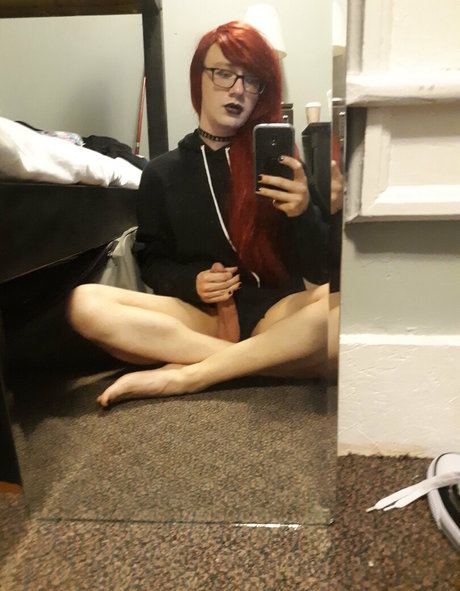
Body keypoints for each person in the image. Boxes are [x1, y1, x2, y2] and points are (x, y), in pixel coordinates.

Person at [67, 21, 340, 407]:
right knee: (83, 303)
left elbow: (321, 269)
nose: (238, 89)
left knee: (350, 306)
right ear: (200, 77)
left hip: (278, 312)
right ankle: (265, 359)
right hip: (202, 317)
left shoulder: (281, 164)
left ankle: (192, 373)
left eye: (251, 80)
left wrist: (304, 213)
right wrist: (192, 282)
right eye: (224, 73)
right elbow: (152, 262)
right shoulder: (161, 173)